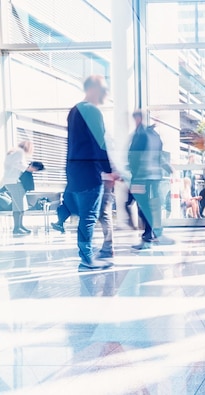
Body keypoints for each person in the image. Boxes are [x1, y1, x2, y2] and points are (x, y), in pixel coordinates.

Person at [63, 75, 115, 271]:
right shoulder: (92, 111)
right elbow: (99, 144)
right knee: (90, 216)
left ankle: (86, 254)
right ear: (93, 89)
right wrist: (109, 171)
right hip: (89, 171)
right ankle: (87, 258)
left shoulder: (74, 111)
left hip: (74, 169)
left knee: (87, 215)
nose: (106, 93)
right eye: (104, 89)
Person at [128, 110, 174, 249]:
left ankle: (150, 233)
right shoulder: (154, 135)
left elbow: (133, 156)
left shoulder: (141, 134)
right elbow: (159, 155)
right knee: (150, 205)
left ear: (139, 119)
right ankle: (153, 233)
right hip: (154, 177)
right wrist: (167, 167)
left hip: (142, 177)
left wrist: (133, 173)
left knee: (142, 204)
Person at [2, 140, 36, 235]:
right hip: (14, 182)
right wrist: (28, 168)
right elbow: (18, 164)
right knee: (19, 205)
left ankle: (20, 226)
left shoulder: (13, 152)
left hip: (10, 181)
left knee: (20, 204)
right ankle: (17, 227)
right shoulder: (19, 152)